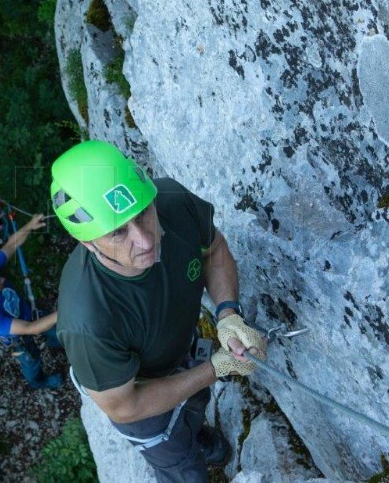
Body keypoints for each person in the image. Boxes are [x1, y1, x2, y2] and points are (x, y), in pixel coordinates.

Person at [50, 140, 267, 482]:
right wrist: (214, 368)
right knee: (180, 465)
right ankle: (186, 459)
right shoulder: (87, 318)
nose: (146, 240)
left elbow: (214, 249)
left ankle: (197, 436)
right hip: (133, 389)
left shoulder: (172, 202)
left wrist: (227, 314)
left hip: (179, 345)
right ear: (88, 242)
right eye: (118, 232)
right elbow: (125, 406)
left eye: (142, 214)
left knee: (196, 401)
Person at [0, 214, 62, 390]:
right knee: (31, 360)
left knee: (53, 328)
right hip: (18, 335)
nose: (2, 279)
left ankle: (58, 343)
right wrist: (64, 311)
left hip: (27, 312)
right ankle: (38, 382)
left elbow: (11, 245)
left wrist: (29, 225)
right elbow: (30, 329)